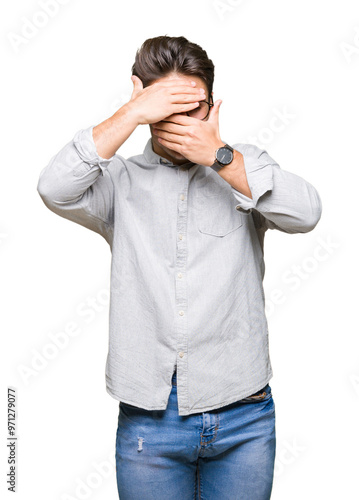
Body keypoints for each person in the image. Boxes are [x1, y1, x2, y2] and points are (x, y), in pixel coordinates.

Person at [37, 35, 322, 499]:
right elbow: (54, 188)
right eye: (166, 107)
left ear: (214, 105)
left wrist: (219, 156)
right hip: (151, 424)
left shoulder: (244, 167)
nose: (184, 123)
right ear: (142, 98)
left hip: (244, 417)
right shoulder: (118, 182)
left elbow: (307, 214)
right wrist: (129, 114)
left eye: (195, 108)